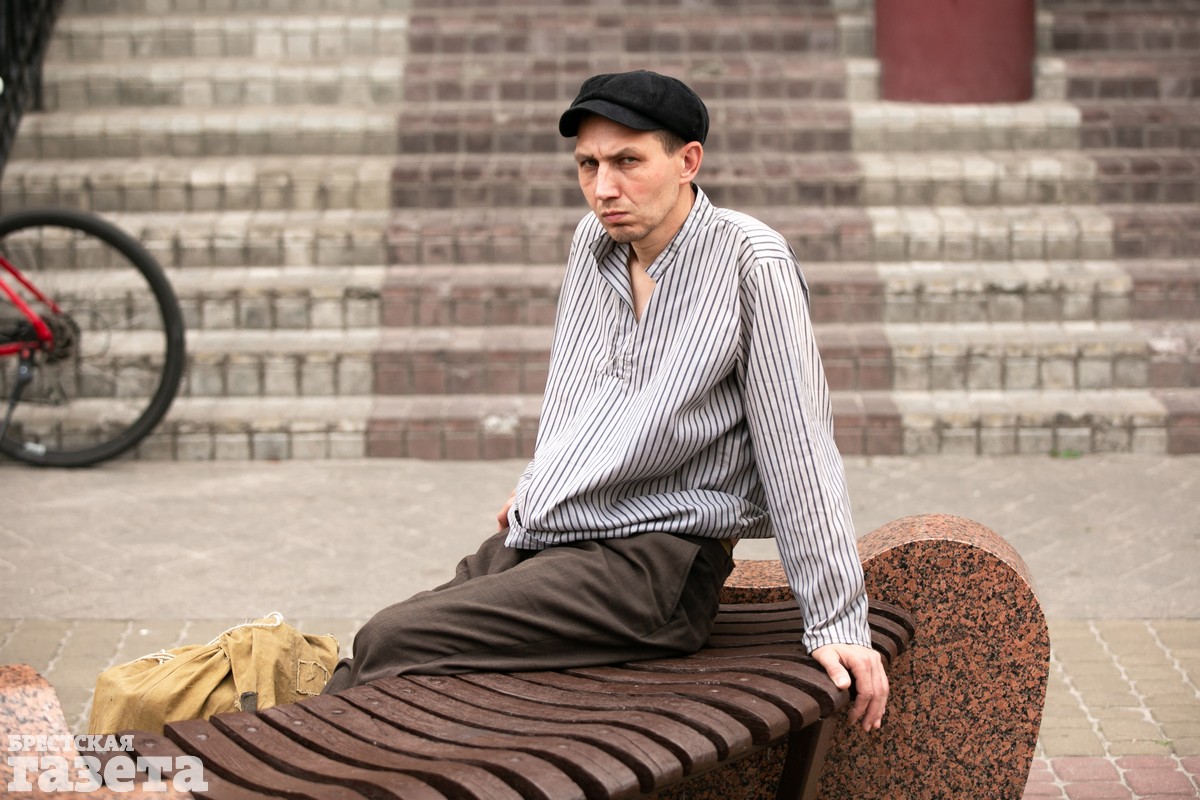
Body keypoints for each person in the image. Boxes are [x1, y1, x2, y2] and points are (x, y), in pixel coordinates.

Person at [323, 70, 889, 732]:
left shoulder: (750, 261)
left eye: (627, 162)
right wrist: (543, 483)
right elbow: (574, 391)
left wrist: (836, 621)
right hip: (568, 529)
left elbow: (799, 448)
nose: (604, 188)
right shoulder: (593, 245)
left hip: (656, 569)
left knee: (394, 638)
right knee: (377, 644)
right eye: (588, 165)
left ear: (687, 162)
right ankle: (272, 750)